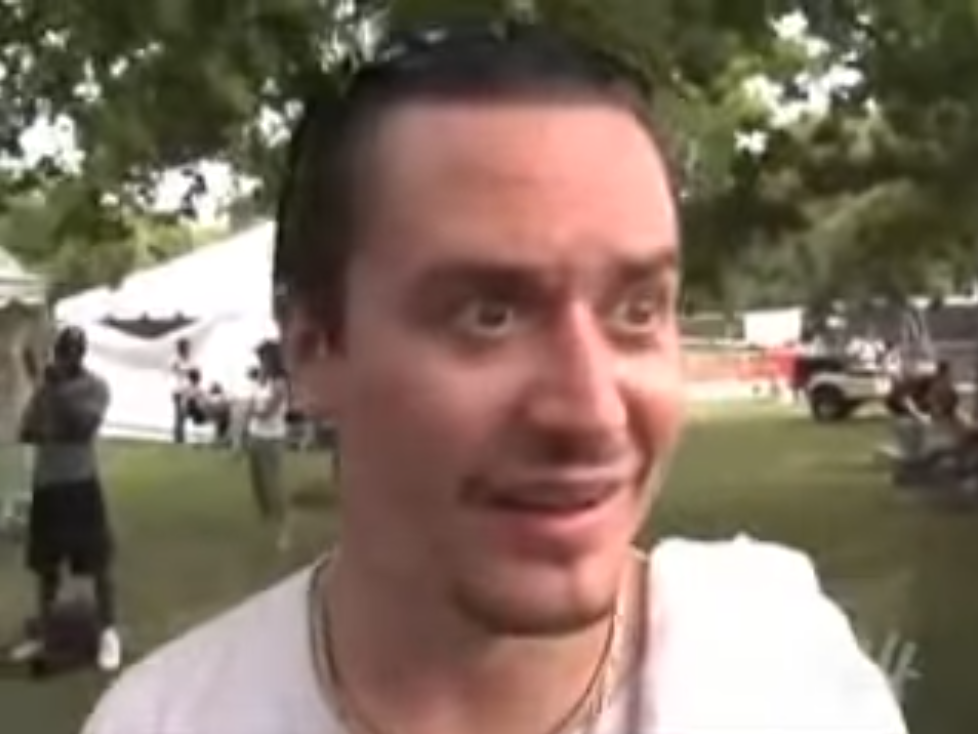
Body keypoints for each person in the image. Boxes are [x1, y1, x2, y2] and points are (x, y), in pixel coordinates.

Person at [82, 22, 906, 733]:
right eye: (489, 315)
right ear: (312, 350)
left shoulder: (784, 681)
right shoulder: (166, 721)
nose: (592, 413)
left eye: (637, 310)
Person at [12, 325, 121, 673]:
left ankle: (108, 633)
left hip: (80, 484)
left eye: (72, 353)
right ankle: (45, 634)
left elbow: (82, 428)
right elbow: (27, 431)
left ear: (81, 355)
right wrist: (46, 395)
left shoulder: (95, 387)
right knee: (46, 568)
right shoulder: (47, 388)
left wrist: (54, 393)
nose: (65, 359)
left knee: (97, 562)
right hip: (47, 485)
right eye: (62, 353)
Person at [243, 339, 291, 549]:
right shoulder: (260, 380)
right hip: (256, 435)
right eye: (259, 358)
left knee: (274, 486)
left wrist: (251, 411)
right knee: (258, 483)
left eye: (263, 358)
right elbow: (252, 404)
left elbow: (269, 411)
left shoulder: (279, 383)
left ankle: (284, 530)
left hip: (272, 438)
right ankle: (266, 519)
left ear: (272, 359)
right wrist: (248, 416)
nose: (260, 362)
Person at [170, 337, 195, 444]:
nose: (187, 349)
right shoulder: (176, 360)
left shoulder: (189, 360)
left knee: (183, 414)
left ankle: (181, 436)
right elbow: (176, 370)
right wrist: (186, 371)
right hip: (178, 390)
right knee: (178, 413)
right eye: (185, 347)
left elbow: (193, 372)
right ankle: (178, 437)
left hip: (187, 390)